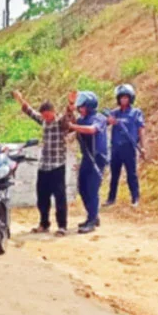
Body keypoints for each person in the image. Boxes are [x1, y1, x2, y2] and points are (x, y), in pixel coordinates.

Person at [13, 91, 72, 236]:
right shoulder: (44, 121)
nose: (46, 118)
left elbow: (68, 117)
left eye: (48, 115)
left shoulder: (60, 122)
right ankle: (44, 224)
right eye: (44, 116)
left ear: (53, 112)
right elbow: (30, 112)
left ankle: (62, 226)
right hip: (44, 165)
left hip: (57, 165)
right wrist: (20, 100)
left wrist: (71, 105)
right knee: (42, 197)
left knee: (60, 197)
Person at [68, 91, 108, 234]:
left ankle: (91, 220)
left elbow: (91, 130)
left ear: (89, 106)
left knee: (92, 189)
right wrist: (71, 106)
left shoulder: (99, 118)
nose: (80, 109)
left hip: (97, 158)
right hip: (86, 158)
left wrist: (73, 127)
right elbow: (70, 124)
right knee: (82, 188)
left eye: (82, 106)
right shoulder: (81, 120)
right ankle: (93, 215)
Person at [105, 84, 146, 208]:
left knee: (131, 174)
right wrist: (109, 121)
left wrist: (142, 146)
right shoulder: (114, 113)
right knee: (114, 174)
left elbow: (141, 129)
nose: (123, 100)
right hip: (116, 148)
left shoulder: (136, 113)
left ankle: (135, 198)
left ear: (130, 98)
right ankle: (111, 199)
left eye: (126, 98)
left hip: (129, 147)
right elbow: (103, 123)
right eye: (121, 97)